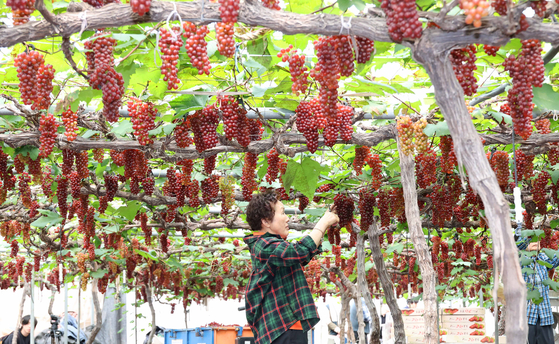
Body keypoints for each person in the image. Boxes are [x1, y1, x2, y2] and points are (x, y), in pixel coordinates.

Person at [244, 191, 339, 344]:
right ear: (266, 222)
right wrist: (322, 223)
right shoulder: (262, 244)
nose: (287, 218)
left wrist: (327, 222)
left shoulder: (270, 245)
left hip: (286, 326)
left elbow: (300, 256)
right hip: (280, 327)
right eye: (282, 212)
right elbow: (299, 252)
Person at [517, 235, 559, 344]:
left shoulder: (542, 259)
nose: (536, 242)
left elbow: (557, 257)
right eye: (532, 240)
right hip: (527, 317)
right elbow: (515, 247)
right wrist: (530, 233)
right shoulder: (519, 261)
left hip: (544, 316)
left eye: (537, 240)